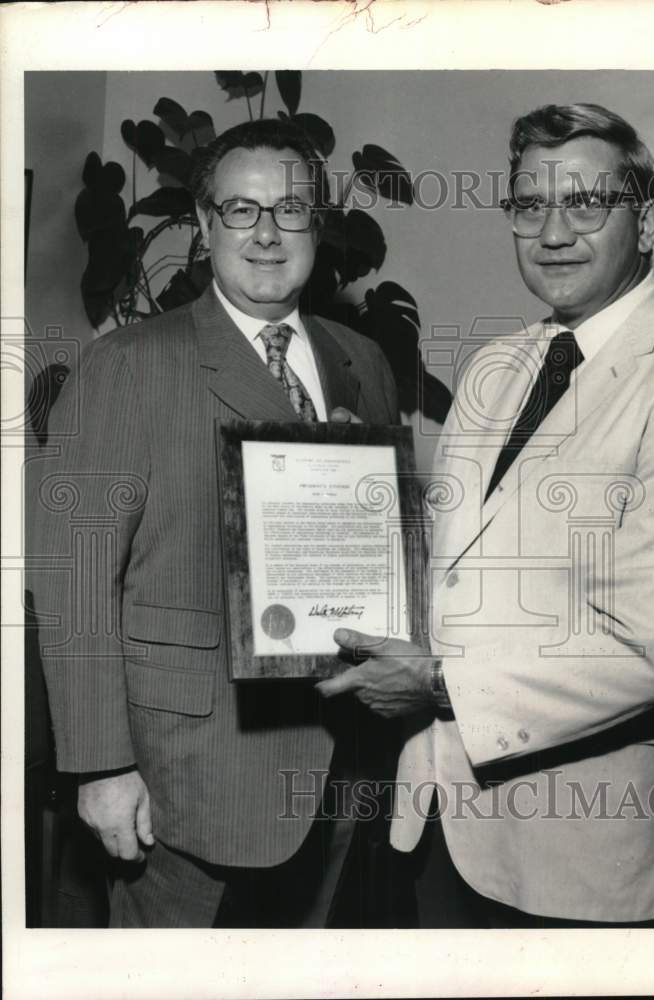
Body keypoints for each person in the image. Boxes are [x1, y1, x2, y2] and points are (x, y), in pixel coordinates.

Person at [319, 103, 654, 927]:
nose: (552, 231)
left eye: (586, 204)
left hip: (574, 852)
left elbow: (643, 646)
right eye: (529, 205)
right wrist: (356, 492)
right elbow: (463, 552)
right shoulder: (500, 361)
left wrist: (434, 684)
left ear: (647, 221)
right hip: (434, 811)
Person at [30, 118, 399, 928]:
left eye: (291, 210)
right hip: (184, 773)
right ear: (203, 227)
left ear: (318, 225)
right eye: (239, 210)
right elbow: (75, 581)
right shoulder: (130, 363)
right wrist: (101, 766)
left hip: (340, 759)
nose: (266, 234)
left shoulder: (361, 362)